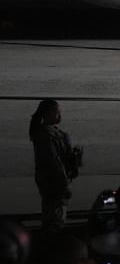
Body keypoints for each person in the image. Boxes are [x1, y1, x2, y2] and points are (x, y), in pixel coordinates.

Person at [28, 99, 81, 234]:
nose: (60, 115)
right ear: (48, 113)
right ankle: (52, 245)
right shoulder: (44, 134)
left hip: (56, 181)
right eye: (57, 112)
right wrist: (64, 183)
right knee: (54, 219)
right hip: (53, 182)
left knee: (57, 216)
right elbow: (52, 161)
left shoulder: (54, 132)